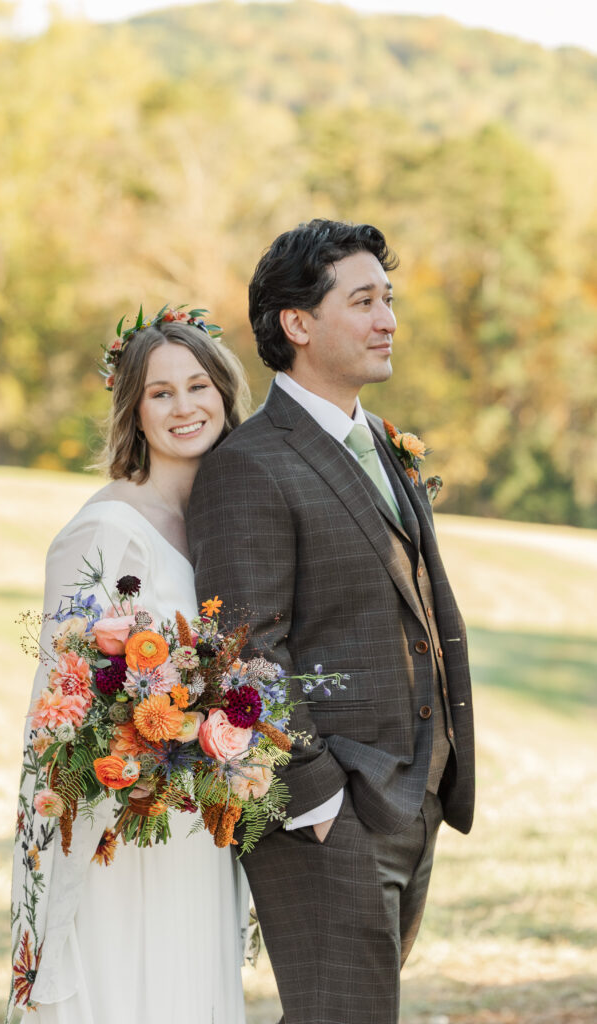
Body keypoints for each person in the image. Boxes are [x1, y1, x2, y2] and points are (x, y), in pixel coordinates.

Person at [187, 219, 476, 1024]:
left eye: (387, 300)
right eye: (364, 301)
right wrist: (315, 802)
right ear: (298, 323)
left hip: (408, 795)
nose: (387, 319)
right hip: (324, 811)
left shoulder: (380, 442)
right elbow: (242, 657)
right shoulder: (248, 466)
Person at [6, 306, 250, 1024]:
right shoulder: (104, 528)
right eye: (160, 392)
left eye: (198, 386)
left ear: (225, 395)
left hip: (197, 825)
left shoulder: (224, 520)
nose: (184, 407)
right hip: (121, 824)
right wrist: (141, 741)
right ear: (133, 411)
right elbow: (63, 699)